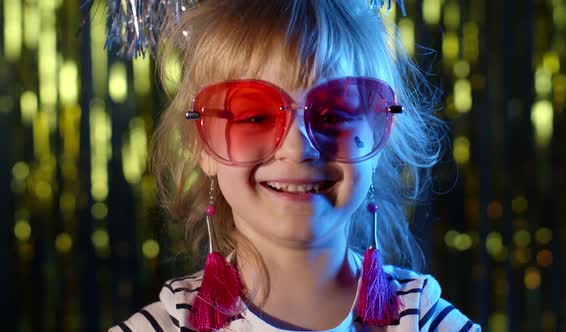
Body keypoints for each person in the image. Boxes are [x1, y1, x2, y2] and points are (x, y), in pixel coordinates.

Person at [109, 0, 480, 331]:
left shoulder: (426, 322)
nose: (297, 147)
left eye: (333, 114)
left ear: (381, 131)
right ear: (202, 143)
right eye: (254, 116)